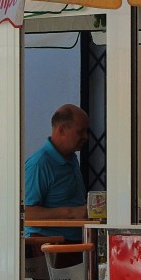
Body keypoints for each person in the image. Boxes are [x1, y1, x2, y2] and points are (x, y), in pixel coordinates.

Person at [24, 103, 90, 243]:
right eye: (80, 132)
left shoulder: (71, 158)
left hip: (77, 243)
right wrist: (71, 213)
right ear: (61, 130)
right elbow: (26, 213)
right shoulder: (39, 164)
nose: (86, 137)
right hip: (49, 247)